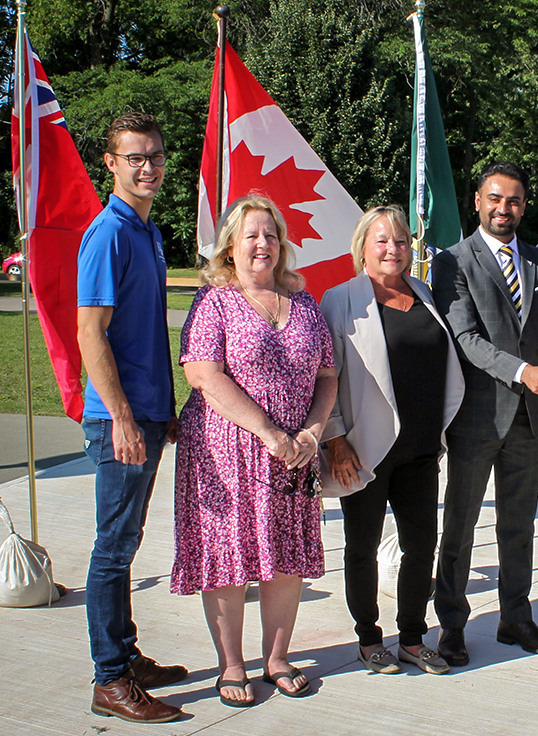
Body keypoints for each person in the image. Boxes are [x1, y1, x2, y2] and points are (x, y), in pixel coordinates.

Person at [171, 195, 336, 706]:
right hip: (225, 455)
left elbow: (328, 375)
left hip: (294, 457)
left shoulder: (304, 302)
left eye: (271, 234)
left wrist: (311, 433)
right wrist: (270, 433)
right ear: (230, 249)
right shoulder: (213, 301)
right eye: (251, 236)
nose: (262, 244)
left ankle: (278, 657)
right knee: (228, 558)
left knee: (284, 557)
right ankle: (232, 665)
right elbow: (202, 373)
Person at [431, 161, 538, 665]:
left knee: (519, 525)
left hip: (530, 419)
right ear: (477, 201)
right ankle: (452, 625)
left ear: (524, 204)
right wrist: (525, 372)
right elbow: (466, 339)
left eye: (515, 200)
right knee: (459, 525)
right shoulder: (452, 262)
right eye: (495, 198)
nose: (505, 208)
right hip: (477, 417)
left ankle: (515, 618)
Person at [319, 206, 464, 676]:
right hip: (363, 451)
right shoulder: (339, 300)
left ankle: (413, 637)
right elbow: (325, 378)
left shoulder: (424, 294)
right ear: (362, 247)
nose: (392, 249)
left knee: (422, 546)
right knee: (361, 546)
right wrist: (336, 439)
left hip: (421, 449)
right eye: (381, 240)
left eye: (401, 241)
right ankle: (368, 638)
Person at [77, 112, 185, 723]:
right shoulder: (109, 233)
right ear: (111, 165)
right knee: (113, 550)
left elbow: (143, 334)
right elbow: (90, 333)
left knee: (126, 542)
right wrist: (119, 415)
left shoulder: (146, 231)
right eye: (134, 157)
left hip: (145, 412)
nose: (148, 167)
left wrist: (159, 409)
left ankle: (125, 654)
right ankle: (110, 679)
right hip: (118, 418)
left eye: (156, 156)